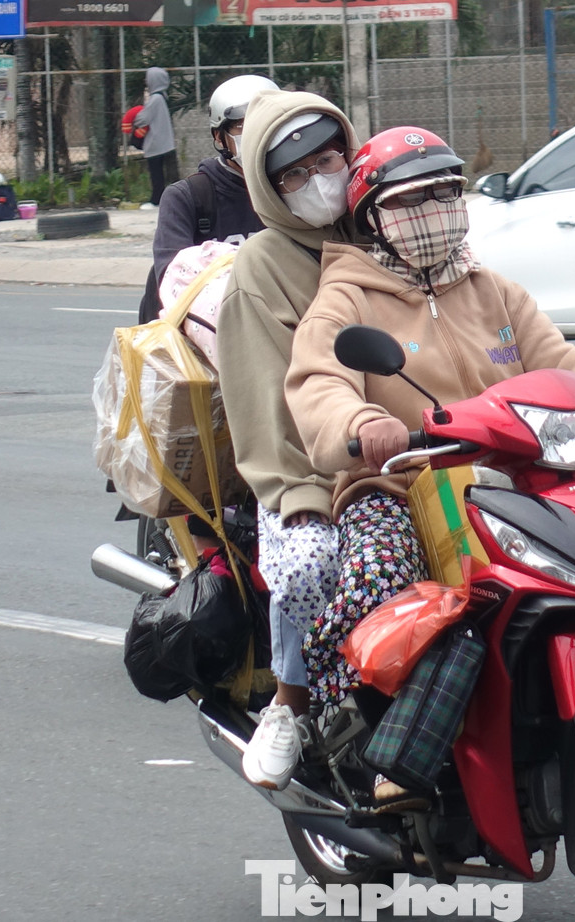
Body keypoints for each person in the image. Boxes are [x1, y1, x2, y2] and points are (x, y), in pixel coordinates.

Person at [284, 126, 575, 708]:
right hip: (399, 486)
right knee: (380, 578)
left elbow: (565, 363)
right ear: (372, 215)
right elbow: (321, 382)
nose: (433, 210)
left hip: (512, 485)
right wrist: (361, 425)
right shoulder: (348, 297)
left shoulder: (493, 291)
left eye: (445, 193)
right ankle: (347, 722)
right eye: (409, 200)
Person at [216, 90, 362, 790]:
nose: (317, 180)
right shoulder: (261, 269)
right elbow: (264, 408)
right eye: (293, 175)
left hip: (421, 461)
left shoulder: (389, 225)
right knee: (310, 567)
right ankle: (290, 702)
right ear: (268, 190)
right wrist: (303, 494)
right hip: (312, 476)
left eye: (327, 159)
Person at [136, 73, 278, 325]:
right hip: (211, 340)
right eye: (242, 126)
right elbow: (174, 282)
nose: (257, 133)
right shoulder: (187, 198)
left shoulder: (294, 187)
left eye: (267, 122)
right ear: (219, 137)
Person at [134, 67, 177, 211]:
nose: (146, 81)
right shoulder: (162, 97)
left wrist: (132, 116)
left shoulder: (155, 99)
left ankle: (156, 200)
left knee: (156, 173)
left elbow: (143, 119)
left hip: (156, 142)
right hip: (163, 142)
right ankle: (161, 199)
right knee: (162, 173)